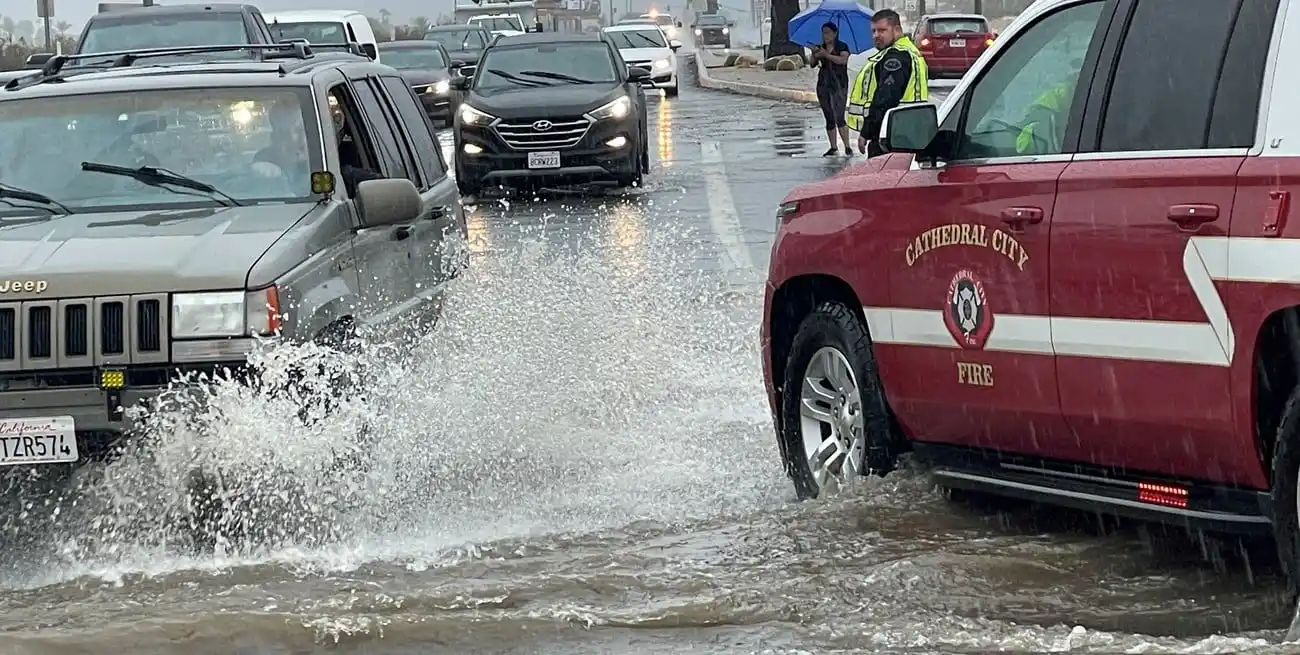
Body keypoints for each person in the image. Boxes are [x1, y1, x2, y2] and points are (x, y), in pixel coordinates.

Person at [845, 8, 928, 156]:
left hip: (890, 135)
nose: (876, 35)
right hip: (908, 133)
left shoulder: (896, 57)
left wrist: (867, 131)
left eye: (882, 30)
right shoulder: (910, 51)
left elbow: (885, 98)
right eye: (874, 31)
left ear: (896, 29)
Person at [809, 22, 852, 157]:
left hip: (839, 83)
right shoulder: (820, 47)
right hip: (823, 84)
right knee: (829, 116)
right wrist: (815, 54)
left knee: (839, 115)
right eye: (823, 32)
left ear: (835, 33)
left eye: (828, 32)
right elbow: (811, 64)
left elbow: (843, 61)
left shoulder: (842, 46)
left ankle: (847, 146)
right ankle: (833, 147)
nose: (825, 35)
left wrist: (827, 55)